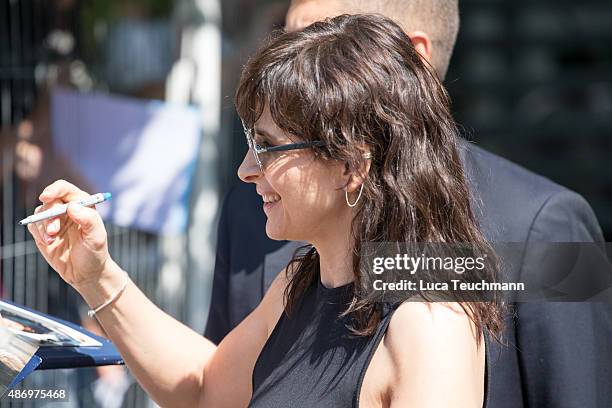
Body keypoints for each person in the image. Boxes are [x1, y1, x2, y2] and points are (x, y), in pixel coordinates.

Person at [29, 14, 501, 407]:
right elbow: (203, 390)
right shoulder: (300, 284)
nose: (246, 169)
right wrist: (95, 274)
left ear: (352, 165)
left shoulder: (430, 325)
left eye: (269, 147)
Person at [205, 1, 610, 408]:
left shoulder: (546, 219)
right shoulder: (275, 240)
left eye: (329, 37)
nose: (302, 61)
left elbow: (580, 392)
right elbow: (207, 388)